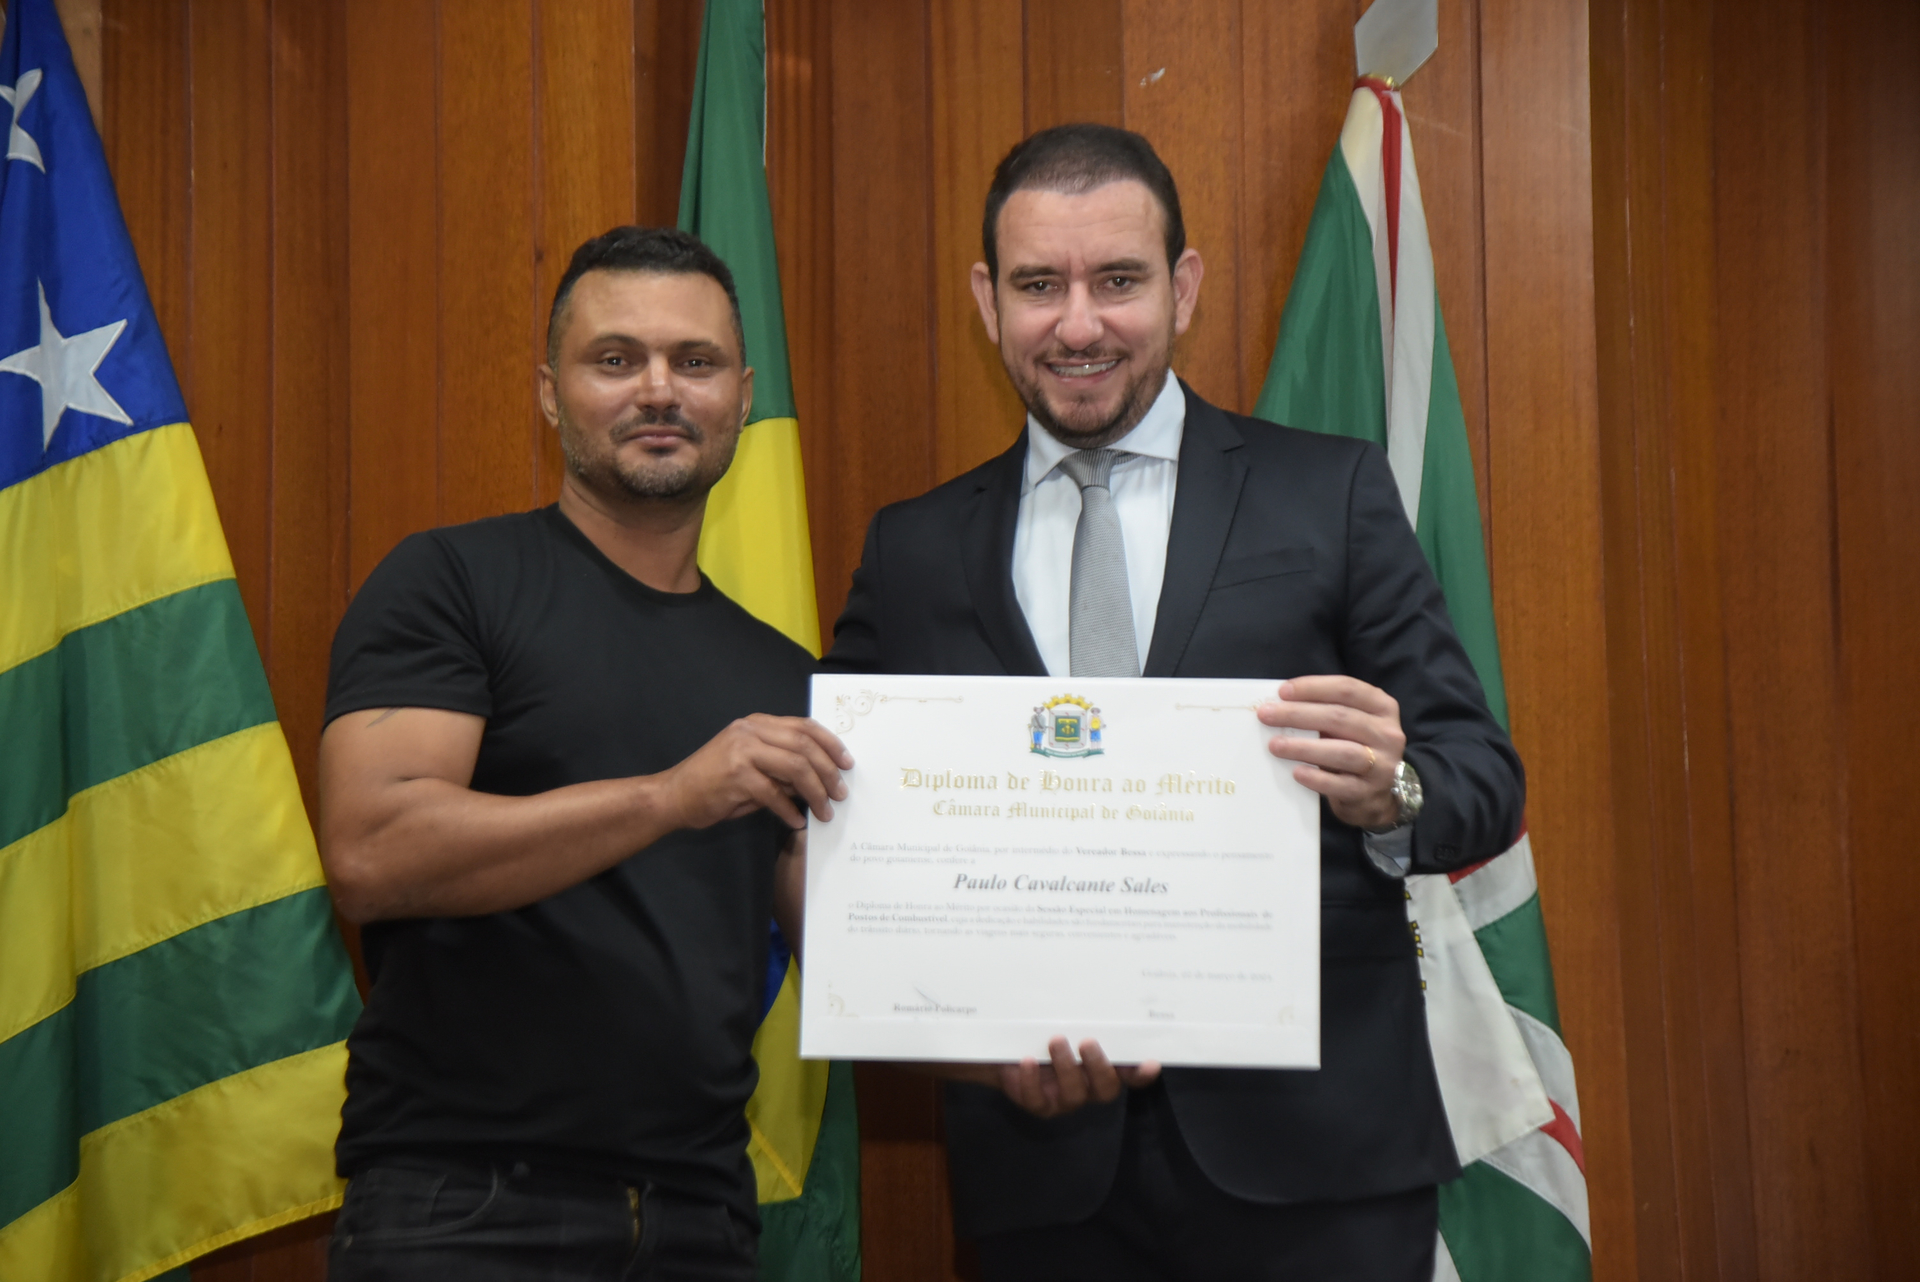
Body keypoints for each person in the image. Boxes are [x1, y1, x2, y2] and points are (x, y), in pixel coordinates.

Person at [822, 124, 1524, 1280]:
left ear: (1182, 287)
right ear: (987, 301)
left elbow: (1482, 777)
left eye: (1119, 281)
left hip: (1320, 1161)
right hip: (1044, 1179)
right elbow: (845, 830)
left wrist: (1392, 789)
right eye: (1039, 286)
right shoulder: (913, 549)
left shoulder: (1329, 493)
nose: (1079, 325)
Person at [317, 226, 851, 1282]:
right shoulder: (451, 583)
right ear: (551, 394)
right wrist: (671, 797)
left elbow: (854, 946)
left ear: (742, 398)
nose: (659, 389)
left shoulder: (787, 675)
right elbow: (372, 853)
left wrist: (1041, 1048)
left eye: (694, 361)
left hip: (703, 1218)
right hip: (465, 1209)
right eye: (615, 359)